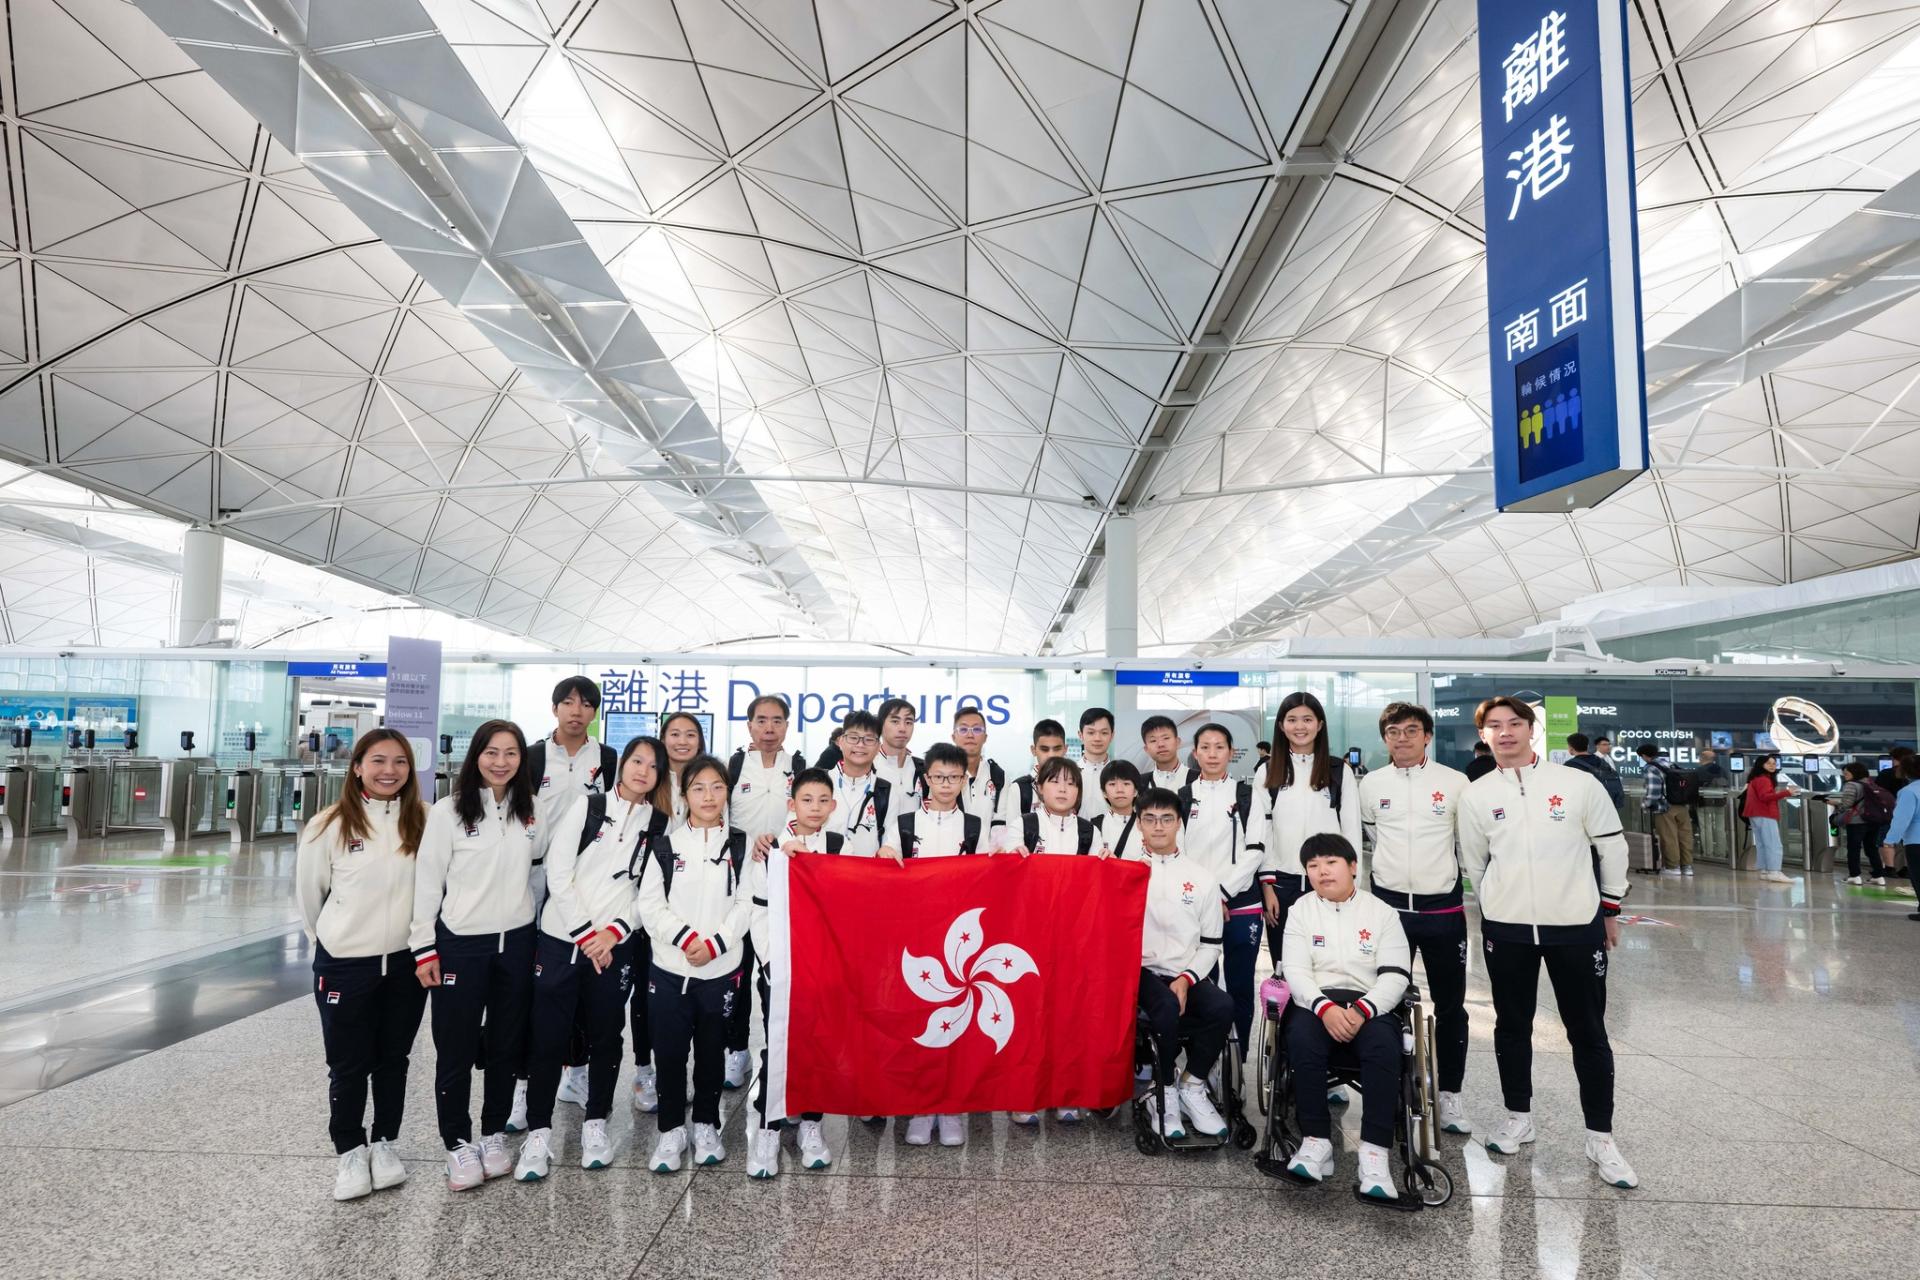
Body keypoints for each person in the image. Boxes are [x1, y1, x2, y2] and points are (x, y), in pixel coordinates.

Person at [1458, 696, 1638, 1189]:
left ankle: (1600, 1136)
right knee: (1511, 1025)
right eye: (1494, 726)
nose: (1505, 732)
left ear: (1531, 729)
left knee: (1588, 1031)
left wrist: (1609, 907)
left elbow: (1612, 845)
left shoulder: (1577, 784)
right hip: (1508, 928)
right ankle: (1518, 1116)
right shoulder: (1477, 795)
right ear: (1484, 735)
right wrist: (1494, 906)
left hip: (1575, 926)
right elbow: (1475, 862)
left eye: (1514, 723)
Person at [514, 735, 669, 1181]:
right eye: (636, 761)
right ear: (622, 765)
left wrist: (614, 932)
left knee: (606, 1035)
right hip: (562, 939)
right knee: (548, 1037)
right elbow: (559, 873)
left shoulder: (660, 824)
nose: (642, 771)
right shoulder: (588, 807)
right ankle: (538, 1132)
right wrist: (585, 934)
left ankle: (596, 1121)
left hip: (614, 947)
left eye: (652, 766)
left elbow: (650, 893)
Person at [296, 729, 431, 1201]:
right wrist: (334, 941)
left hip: (406, 964)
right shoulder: (328, 825)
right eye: (378, 760)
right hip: (346, 964)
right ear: (357, 767)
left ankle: (385, 1143)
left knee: (394, 1059)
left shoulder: (424, 821)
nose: (389, 771)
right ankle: (350, 1150)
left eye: (400, 761)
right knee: (348, 1063)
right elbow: (310, 898)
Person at [410, 720, 546, 1191]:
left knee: (506, 1045)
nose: (501, 762)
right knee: (456, 1047)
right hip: (461, 944)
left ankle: (492, 1135)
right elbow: (428, 881)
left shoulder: (531, 811)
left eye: (511, 753)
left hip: (517, 942)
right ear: (476, 757)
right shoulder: (448, 812)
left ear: (522, 760)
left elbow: (537, 871)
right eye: (492, 752)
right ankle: (457, 1143)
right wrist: (423, 947)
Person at [1358, 701, 1472, 1136]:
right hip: (1390, 911)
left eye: (1411, 730)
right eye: (1393, 731)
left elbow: (1466, 842)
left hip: (1443, 910)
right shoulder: (1372, 784)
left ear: (1427, 736)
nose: (1402, 738)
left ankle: (1451, 1094)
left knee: (1451, 1005)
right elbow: (1372, 834)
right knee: (1385, 1002)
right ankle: (1389, 1089)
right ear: (1384, 738)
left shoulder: (1455, 783)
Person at [1281, 832, 1413, 1199]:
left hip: (1370, 1004)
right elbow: (1295, 970)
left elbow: (1396, 974)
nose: (1322, 871)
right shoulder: (1301, 910)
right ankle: (1316, 1141)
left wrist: (1362, 1010)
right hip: (1316, 1002)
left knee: (1384, 1045)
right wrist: (1323, 1007)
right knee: (1301, 1037)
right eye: (1313, 866)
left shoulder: (1382, 913)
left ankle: (1374, 1153)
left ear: (1353, 867)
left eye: (1331, 862)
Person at [638, 754, 752, 1172]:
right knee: (669, 1053)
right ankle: (670, 1129)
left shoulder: (740, 845)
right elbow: (650, 906)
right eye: (698, 788)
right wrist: (687, 939)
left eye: (717, 787)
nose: (708, 796)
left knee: (710, 1054)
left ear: (727, 793)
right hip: (670, 971)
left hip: (720, 971)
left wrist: (716, 944)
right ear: (684, 795)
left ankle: (706, 1123)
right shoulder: (666, 846)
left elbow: (746, 904)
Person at [516, 676, 619, 1127]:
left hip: (588, 887)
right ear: (555, 707)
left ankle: (575, 1072)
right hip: (536, 880)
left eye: (586, 704)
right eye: (568, 703)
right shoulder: (533, 757)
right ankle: (523, 1084)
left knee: (581, 983)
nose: (577, 711)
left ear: (595, 712)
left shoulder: (608, 759)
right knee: (533, 987)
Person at [880, 742, 982, 1149]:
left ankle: (951, 1107)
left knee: (957, 1021)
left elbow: (990, 873)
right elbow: (886, 863)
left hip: (960, 940)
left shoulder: (974, 825)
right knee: (920, 1022)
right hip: (915, 937)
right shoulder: (904, 822)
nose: (946, 784)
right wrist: (885, 854)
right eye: (938, 776)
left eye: (954, 777)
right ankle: (922, 1107)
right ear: (926, 778)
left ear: (964, 780)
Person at [746, 768, 843, 1176]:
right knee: (778, 1045)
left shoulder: (839, 845)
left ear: (833, 805)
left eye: (823, 801)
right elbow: (758, 909)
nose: (814, 808)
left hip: (823, 966)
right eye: (806, 800)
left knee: (818, 1043)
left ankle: (811, 1124)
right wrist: (771, 963)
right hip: (781, 967)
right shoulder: (770, 848)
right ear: (792, 804)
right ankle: (769, 1127)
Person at [1134, 786, 1233, 1142]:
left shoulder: (1202, 878)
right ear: (1139, 824)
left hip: (1186, 969)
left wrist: (1187, 978)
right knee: (1164, 1006)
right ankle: (1163, 1092)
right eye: (1150, 819)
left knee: (1223, 1006)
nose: (1158, 826)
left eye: (1166, 819)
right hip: (1140, 971)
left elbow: (1211, 944)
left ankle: (1192, 1084)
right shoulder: (1127, 872)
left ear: (1179, 823)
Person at [723, 695, 808, 1091]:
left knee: (775, 974)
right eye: (761, 720)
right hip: (738, 883)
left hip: (786, 887)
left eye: (777, 721)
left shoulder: (801, 768)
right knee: (736, 971)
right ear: (749, 725)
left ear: (787, 726)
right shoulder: (734, 767)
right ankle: (736, 1050)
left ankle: (781, 1050)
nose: (769, 728)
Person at [1175, 723, 1266, 1056]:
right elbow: (1179, 852)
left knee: (1240, 984)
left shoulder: (1247, 794)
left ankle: (1238, 1060)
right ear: (1195, 753)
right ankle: (1205, 1060)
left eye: (1219, 747)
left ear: (1231, 752)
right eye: (1205, 747)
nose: (1212, 754)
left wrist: (1222, 894)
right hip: (1196, 905)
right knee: (1202, 984)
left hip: (1242, 903)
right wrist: (1206, 897)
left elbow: (1255, 850)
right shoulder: (1183, 797)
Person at [1258, 691, 1361, 973]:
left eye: (1307, 719)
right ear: (1281, 726)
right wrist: (1267, 887)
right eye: (1292, 719)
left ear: (1320, 724)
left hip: (1330, 881)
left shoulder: (1339, 770)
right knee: (1284, 965)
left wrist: (1352, 885)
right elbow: (1263, 833)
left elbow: (1351, 830)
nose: (1300, 726)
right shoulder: (1268, 771)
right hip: (1282, 884)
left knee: (1328, 963)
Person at [827, 709, 892, 857]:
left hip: (866, 869)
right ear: (841, 741)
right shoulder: (819, 782)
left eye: (869, 739)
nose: (860, 744)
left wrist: (889, 849)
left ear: (878, 747)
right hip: (822, 868)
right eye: (853, 737)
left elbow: (891, 840)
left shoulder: (886, 791)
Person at [1825, 761, 1892, 886]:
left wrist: (1835, 803)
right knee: (1872, 848)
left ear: (1854, 773)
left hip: (1857, 822)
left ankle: (1854, 876)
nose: (1844, 775)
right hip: (1873, 821)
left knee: (1853, 848)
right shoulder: (1871, 783)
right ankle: (1878, 876)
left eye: (1846, 773)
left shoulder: (1851, 785)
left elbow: (1847, 804)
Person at [1637, 743, 1693, 878]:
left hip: (1664, 807)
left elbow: (1654, 791)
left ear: (1644, 755)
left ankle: (1672, 867)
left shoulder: (1651, 768)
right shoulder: (1672, 764)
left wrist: (1645, 805)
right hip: (1682, 805)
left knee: (1669, 837)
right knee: (1684, 836)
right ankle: (1687, 867)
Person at [1001, 718, 1070, 826]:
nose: (1051, 755)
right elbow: (1012, 832)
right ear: (1033, 750)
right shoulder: (1019, 788)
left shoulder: (1075, 784)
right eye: (1044, 749)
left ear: (1065, 749)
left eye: (1057, 749)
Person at [1743, 753, 1798, 884]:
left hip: (1755, 814)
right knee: (1773, 844)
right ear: (1761, 765)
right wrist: (1787, 792)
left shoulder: (1755, 778)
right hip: (1765, 813)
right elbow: (1765, 797)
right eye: (1768, 763)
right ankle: (1774, 871)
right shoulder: (1764, 779)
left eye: (1774, 763)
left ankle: (1765, 870)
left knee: (1763, 844)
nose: (1772, 766)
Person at [951, 704, 1005, 829]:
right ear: (953, 737)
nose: (970, 735)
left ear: (985, 737)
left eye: (977, 729)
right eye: (963, 729)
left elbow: (1001, 823)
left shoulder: (998, 776)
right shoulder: (941, 776)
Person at [1878, 755, 1920, 920]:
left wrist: (1890, 839)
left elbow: (1902, 819)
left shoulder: (1909, 791)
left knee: (1918, 875)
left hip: (1916, 840)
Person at [872, 696, 925, 813]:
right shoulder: (869, 767)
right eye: (895, 721)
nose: (902, 728)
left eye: (908, 722)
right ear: (881, 725)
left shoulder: (924, 769)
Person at [1092, 760, 1143, 859]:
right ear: (1104, 793)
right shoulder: (1094, 826)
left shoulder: (1147, 825)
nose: (1120, 790)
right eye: (1112, 784)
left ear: (1135, 791)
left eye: (1126, 784)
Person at [661, 710, 706, 820]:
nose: (682, 742)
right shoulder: (651, 780)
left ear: (699, 742)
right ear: (663, 740)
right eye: (675, 734)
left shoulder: (712, 781)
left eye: (690, 735)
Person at [1563, 733, 1625, 808]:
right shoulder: (1601, 761)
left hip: (1582, 805)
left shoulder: (1569, 765)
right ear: (1587, 746)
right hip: (1603, 804)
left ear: (1571, 748)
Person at [1142, 715, 1198, 792]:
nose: (1161, 744)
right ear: (1146, 749)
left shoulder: (1200, 779)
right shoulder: (1139, 784)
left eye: (1166, 738)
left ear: (1177, 742)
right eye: (1153, 740)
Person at [1077, 707, 1116, 818]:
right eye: (1091, 732)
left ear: (1112, 735)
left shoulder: (1122, 774)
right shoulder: (1069, 774)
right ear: (1080, 735)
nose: (1097, 738)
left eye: (1104, 733)